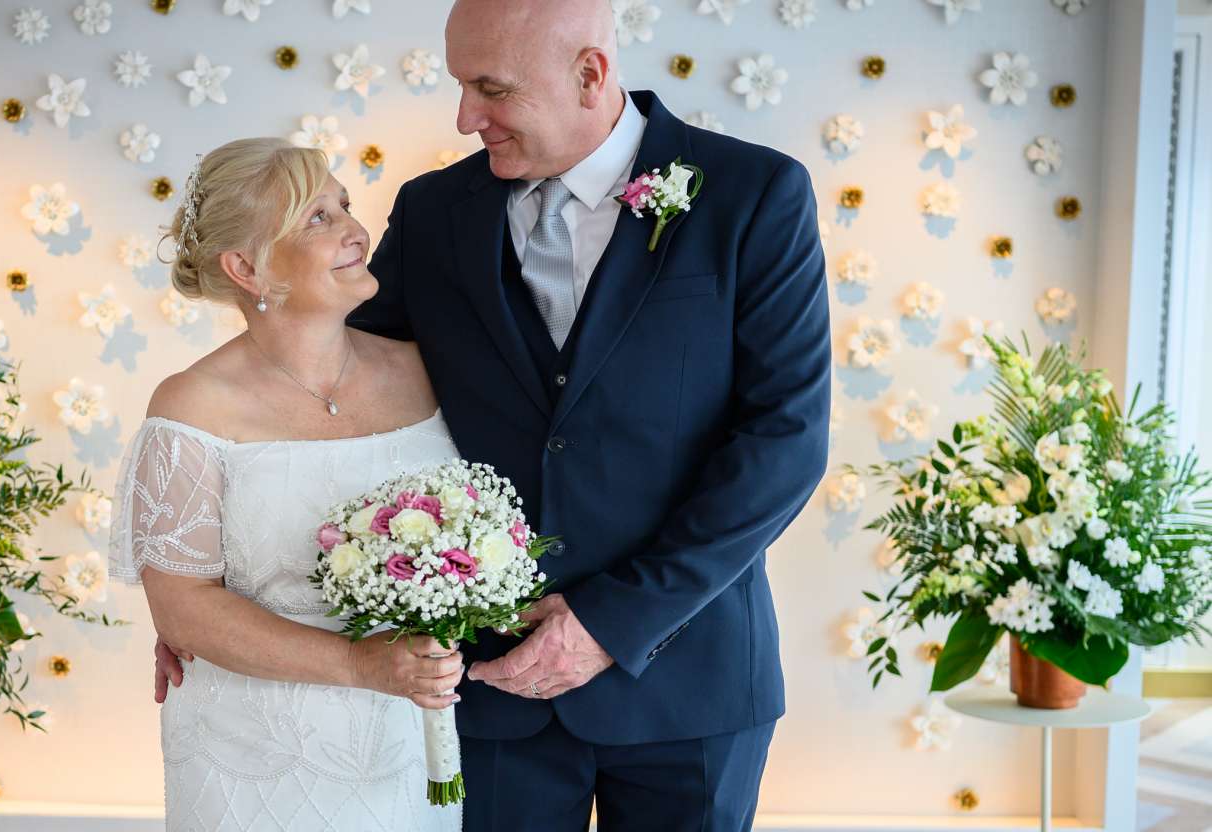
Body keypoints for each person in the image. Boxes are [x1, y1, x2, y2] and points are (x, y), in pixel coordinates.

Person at [157, 0, 832, 826]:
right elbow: (325, 398)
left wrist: (611, 622)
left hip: (687, 678)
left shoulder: (753, 193)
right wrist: (207, 594)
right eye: (460, 85)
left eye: (491, 88)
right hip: (481, 691)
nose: (465, 116)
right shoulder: (436, 211)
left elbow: (784, 440)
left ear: (590, 73)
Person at [109, 137, 464, 830]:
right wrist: (363, 666)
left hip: (408, 741)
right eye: (316, 219)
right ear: (246, 266)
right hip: (248, 757)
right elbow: (185, 610)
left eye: (344, 206)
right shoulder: (191, 408)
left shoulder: (431, 370)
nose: (355, 231)